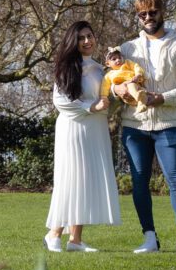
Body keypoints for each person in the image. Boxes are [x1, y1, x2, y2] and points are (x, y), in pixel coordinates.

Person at [112, 0, 176, 255]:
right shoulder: (127, 49)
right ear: (137, 18)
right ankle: (149, 239)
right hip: (134, 126)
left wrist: (163, 98)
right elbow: (111, 81)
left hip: (167, 124)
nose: (148, 18)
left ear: (162, 12)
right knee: (139, 182)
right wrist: (117, 92)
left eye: (152, 12)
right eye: (142, 14)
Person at [44, 20, 121, 252]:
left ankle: (75, 240)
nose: (87, 41)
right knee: (70, 179)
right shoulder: (66, 67)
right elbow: (60, 102)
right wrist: (91, 107)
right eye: (81, 38)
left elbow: (107, 99)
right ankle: (54, 233)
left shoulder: (100, 69)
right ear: (73, 41)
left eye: (90, 36)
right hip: (73, 129)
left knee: (86, 181)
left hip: (96, 130)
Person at [93, 46, 148, 115]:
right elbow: (105, 86)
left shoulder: (127, 64)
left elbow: (136, 66)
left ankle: (138, 96)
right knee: (131, 101)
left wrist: (138, 74)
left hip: (133, 83)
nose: (118, 60)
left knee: (131, 85)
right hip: (125, 94)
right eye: (114, 59)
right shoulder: (109, 75)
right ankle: (140, 104)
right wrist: (104, 97)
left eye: (119, 58)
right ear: (107, 64)